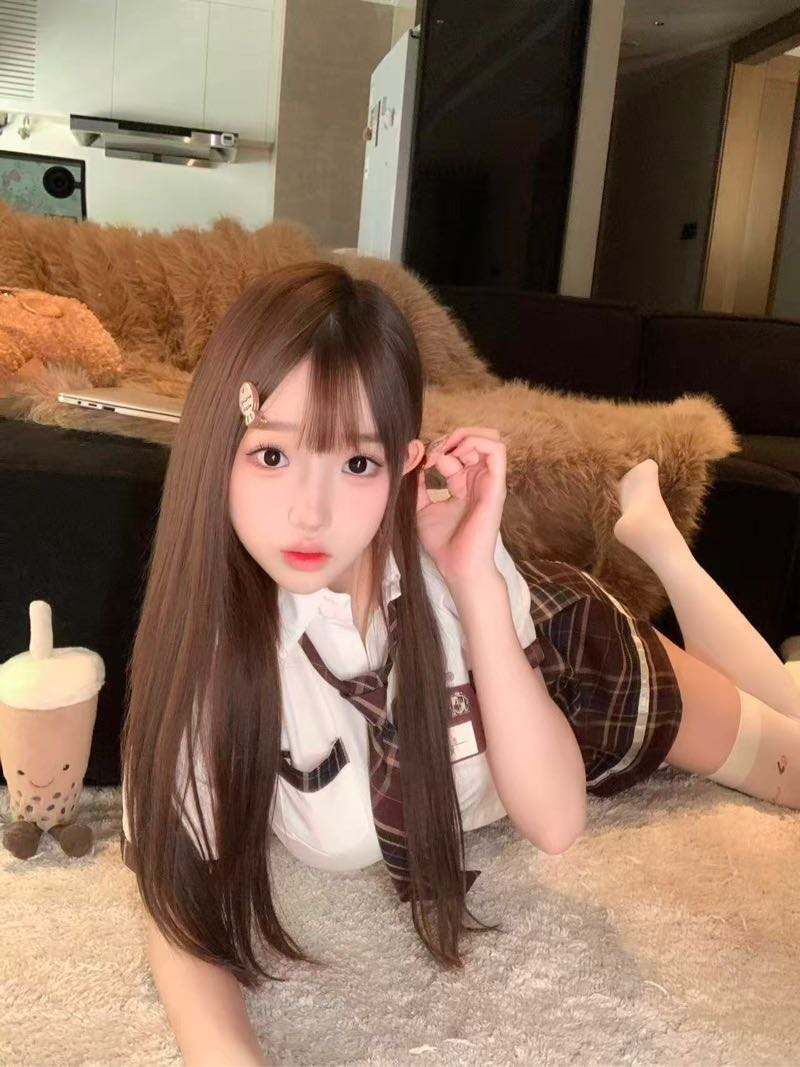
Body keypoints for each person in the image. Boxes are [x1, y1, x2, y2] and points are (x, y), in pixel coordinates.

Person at [120, 261, 800, 1065]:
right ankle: (675, 562)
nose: (310, 511)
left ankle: (663, 552)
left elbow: (555, 822)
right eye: (272, 455)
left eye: (357, 463)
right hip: (495, 645)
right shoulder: (207, 654)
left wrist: (475, 579)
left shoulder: (455, 579)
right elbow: (178, 902)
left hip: (569, 660)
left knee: (790, 762)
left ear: (404, 463)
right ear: (217, 447)